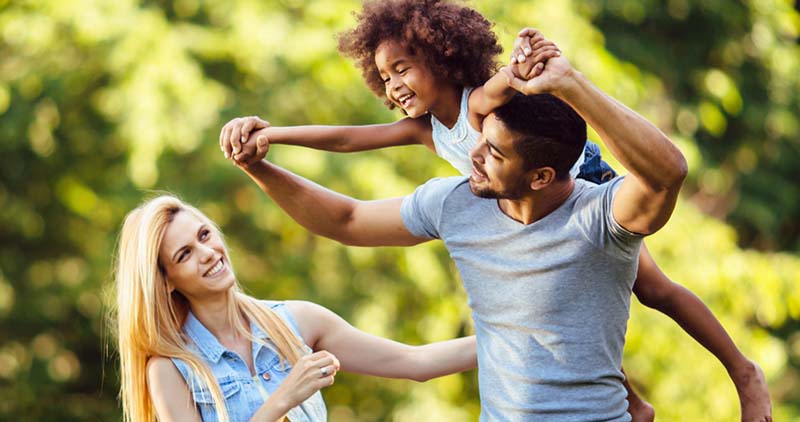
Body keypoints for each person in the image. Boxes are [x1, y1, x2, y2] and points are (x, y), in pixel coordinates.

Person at [220, 2, 770, 417]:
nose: (393, 84)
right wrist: (268, 145)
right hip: (525, 206)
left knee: (655, 289)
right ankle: (636, 403)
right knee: (569, 322)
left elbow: (661, 168)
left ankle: (741, 370)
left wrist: (541, 66)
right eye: (384, 76)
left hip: (586, 177)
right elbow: (346, 168)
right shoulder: (438, 160)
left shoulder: (489, 109)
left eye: (403, 68)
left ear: (440, 56)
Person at [112, 195, 478, 422]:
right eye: (185, 254)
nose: (207, 253)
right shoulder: (171, 369)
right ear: (167, 280)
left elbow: (416, 363)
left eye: (204, 235)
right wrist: (286, 396)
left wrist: (519, 335)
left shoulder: (298, 321)